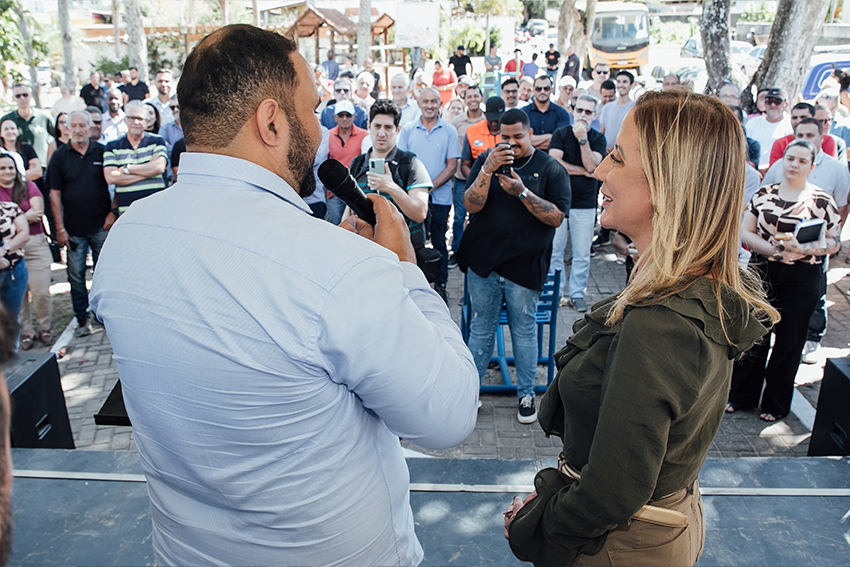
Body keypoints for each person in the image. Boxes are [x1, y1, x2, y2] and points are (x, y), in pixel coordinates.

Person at [89, 24, 478, 566]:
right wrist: (404, 274)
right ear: (271, 121)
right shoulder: (338, 269)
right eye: (313, 110)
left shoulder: (126, 238)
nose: (320, 130)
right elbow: (449, 415)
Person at [504, 90, 777, 566]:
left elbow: (613, 491)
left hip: (617, 546)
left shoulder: (661, 321)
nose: (600, 171)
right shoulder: (692, 286)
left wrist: (538, 524)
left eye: (617, 156)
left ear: (666, 184)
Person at [458, 108, 569, 423]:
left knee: (524, 330)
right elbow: (470, 205)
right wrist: (486, 169)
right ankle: (470, 394)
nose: (511, 143)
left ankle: (526, 395)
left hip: (525, 266)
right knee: (481, 328)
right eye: (505, 137)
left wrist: (521, 192)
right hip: (484, 264)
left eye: (518, 136)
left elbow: (556, 217)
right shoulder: (486, 161)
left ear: (530, 134)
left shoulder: (549, 167)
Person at [729, 139, 840, 422]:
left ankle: (775, 404)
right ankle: (741, 396)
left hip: (803, 278)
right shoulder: (764, 193)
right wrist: (775, 251)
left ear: (812, 167)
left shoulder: (822, 200)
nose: (794, 165)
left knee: (790, 341)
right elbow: (746, 232)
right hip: (763, 270)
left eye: (802, 161)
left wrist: (803, 249)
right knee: (754, 334)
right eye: (790, 158)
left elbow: (834, 241)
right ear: (782, 160)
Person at [49, 111, 114, 337]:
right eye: (73, 125)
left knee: (103, 272)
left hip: (101, 225)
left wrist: (112, 212)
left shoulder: (102, 152)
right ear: (67, 128)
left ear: (90, 127)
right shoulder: (59, 157)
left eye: (82, 125)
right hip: (73, 229)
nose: (78, 130)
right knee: (76, 276)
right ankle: (82, 319)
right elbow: (54, 195)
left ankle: (102, 315)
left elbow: (114, 182)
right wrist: (59, 228)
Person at [398, 88, 461, 302]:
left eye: (434, 101)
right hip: (413, 200)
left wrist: (427, 188)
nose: (429, 105)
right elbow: (402, 163)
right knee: (414, 242)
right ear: (418, 103)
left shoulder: (449, 130)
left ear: (440, 104)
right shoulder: (408, 130)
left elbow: (451, 166)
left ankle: (441, 284)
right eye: (425, 101)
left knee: (439, 242)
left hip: (440, 198)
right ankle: (416, 286)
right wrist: (418, 191)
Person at [349, 99, 432, 258]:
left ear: (397, 129)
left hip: (404, 254)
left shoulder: (410, 163)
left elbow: (420, 213)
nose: (382, 133)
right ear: (368, 126)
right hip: (366, 253)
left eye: (388, 127)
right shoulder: (357, 164)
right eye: (377, 126)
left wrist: (390, 187)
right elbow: (348, 210)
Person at [548, 94, 605, 311]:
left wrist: (583, 140)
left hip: (585, 204)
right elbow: (555, 163)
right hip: (558, 202)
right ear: (572, 110)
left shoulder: (597, 139)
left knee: (582, 253)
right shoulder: (560, 134)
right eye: (579, 110)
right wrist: (583, 171)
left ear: (594, 115)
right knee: (555, 251)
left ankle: (577, 294)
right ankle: (555, 293)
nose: (582, 115)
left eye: (588, 112)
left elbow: (593, 166)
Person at [0, 154, 50, 350]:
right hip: (9, 252)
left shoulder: (29, 186)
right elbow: (28, 215)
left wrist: (12, 219)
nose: (7, 171)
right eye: (2, 168)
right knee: (19, 297)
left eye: (10, 167)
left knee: (41, 292)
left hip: (34, 243)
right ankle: (27, 332)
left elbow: (37, 213)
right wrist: (21, 219)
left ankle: (45, 327)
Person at [103, 100, 168, 214]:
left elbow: (159, 167)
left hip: (156, 210)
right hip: (127, 212)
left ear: (147, 121)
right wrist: (149, 171)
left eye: (140, 119)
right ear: (125, 120)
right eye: (132, 118)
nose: (136, 122)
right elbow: (111, 178)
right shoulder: (112, 146)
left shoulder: (157, 141)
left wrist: (127, 169)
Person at [450, 85, 485, 266]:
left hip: (483, 180)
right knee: (459, 217)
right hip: (461, 177)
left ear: (481, 98)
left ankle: (474, 251)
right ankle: (457, 251)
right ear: (464, 99)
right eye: (469, 96)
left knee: (476, 218)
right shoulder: (457, 122)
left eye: (476, 96)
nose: (472, 99)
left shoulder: (487, 121)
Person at [326, 100, 369, 224]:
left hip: (357, 190)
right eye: (341, 115)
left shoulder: (364, 136)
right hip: (334, 192)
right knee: (336, 225)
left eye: (348, 115)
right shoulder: (327, 136)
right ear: (335, 117)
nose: (344, 118)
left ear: (354, 116)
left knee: (358, 225)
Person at [0, 161, 30, 336]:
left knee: (12, 319)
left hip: (14, 270)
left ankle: (11, 350)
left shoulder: (10, 208)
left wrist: (4, 250)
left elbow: (24, 233)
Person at [1, 84, 54, 168]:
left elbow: (56, 139)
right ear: (13, 98)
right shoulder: (7, 120)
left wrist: (50, 162)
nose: (22, 98)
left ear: (31, 95)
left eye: (25, 95)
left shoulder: (44, 117)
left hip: (41, 167)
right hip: (13, 169)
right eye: (18, 96)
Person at [769, 103, 837, 166]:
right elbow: (775, 171)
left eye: (803, 117)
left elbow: (830, 167)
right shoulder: (780, 144)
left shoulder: (826, 140)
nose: (798, 121)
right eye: (794, 118)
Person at [745, 87, 792, 172]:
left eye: (777, 101)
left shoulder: (790, 124)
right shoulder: (752, 123)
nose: (773, 105)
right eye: (769, 101)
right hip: (751, 170)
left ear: (786, 104)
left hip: (777, 171)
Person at [523, 75, 572, 152]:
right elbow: (522, 140)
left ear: (552, 90)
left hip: (553, 157)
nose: (542, 91)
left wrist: (531, 142)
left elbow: (560, 142)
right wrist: (549, 136)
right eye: (539, 89)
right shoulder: (523, 113)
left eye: (546, 88)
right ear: (533, 89)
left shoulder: (562, 114)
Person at [599, 70, 635, 154]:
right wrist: (603, 147)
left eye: (625, 82)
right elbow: (601, 132)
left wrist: (616, 147)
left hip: (625, 153)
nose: (621, 85)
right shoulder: (607, 107)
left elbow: (633, 134)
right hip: (606, 153)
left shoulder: (635, 108)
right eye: (618, 81)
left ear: (631, 85)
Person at [0, 119, 42, 184]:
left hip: (25, 186)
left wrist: (11, 176)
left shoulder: (27, 148)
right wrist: (25, 173)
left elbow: (38, 172)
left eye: (12, 128)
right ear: (0, 133)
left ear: (18, 131)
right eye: (6, 129)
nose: (10, 131)